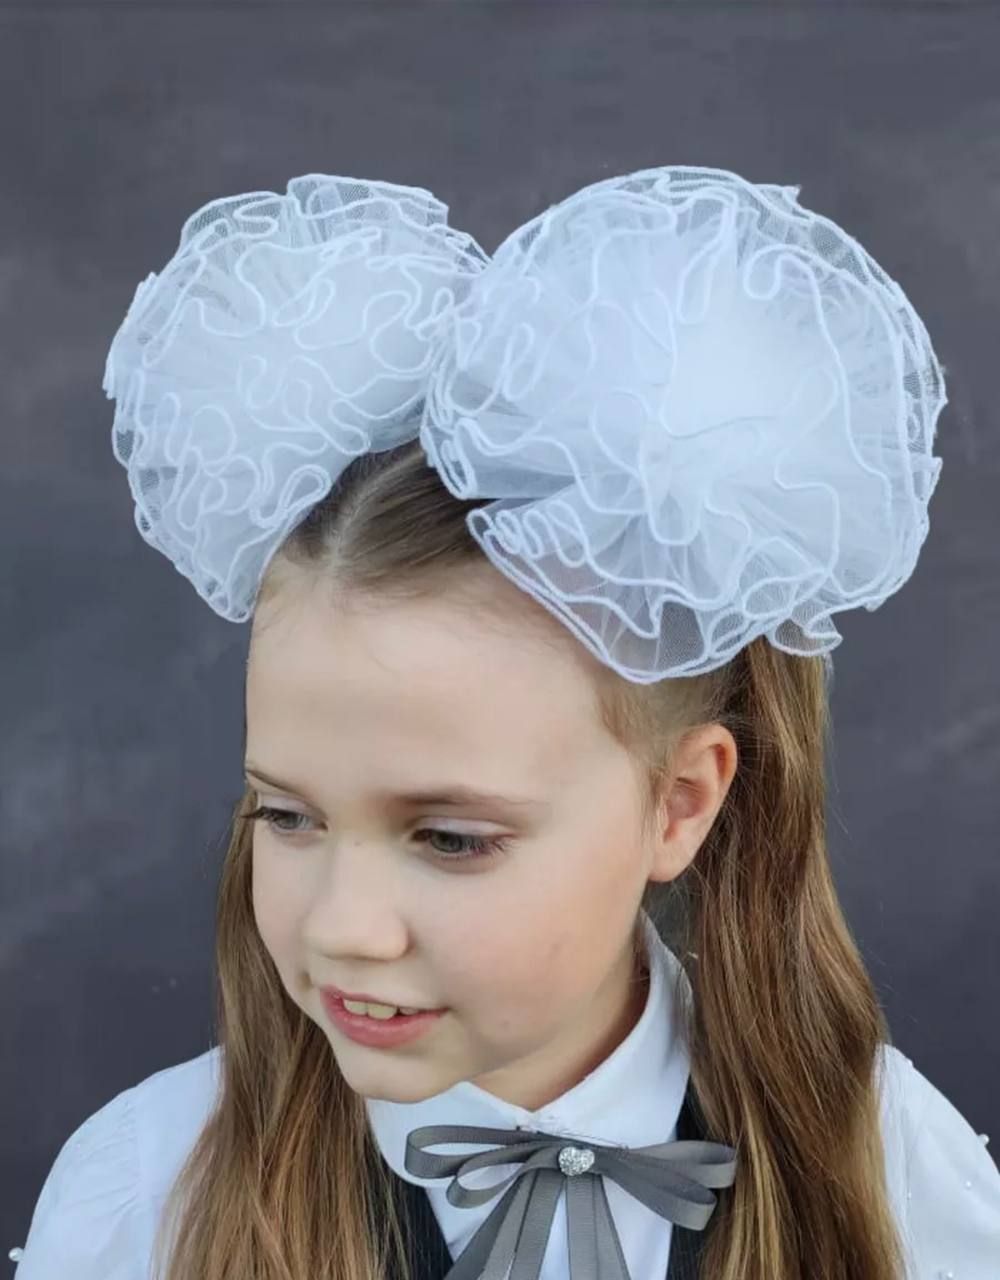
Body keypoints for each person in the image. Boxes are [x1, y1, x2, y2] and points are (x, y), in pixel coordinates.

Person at [10, 166, 1000, 1279]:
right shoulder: (147, 1194)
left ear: (679, 804)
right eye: (288, 816)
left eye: (450, 837)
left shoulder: (889, 1176)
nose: (344, 927)